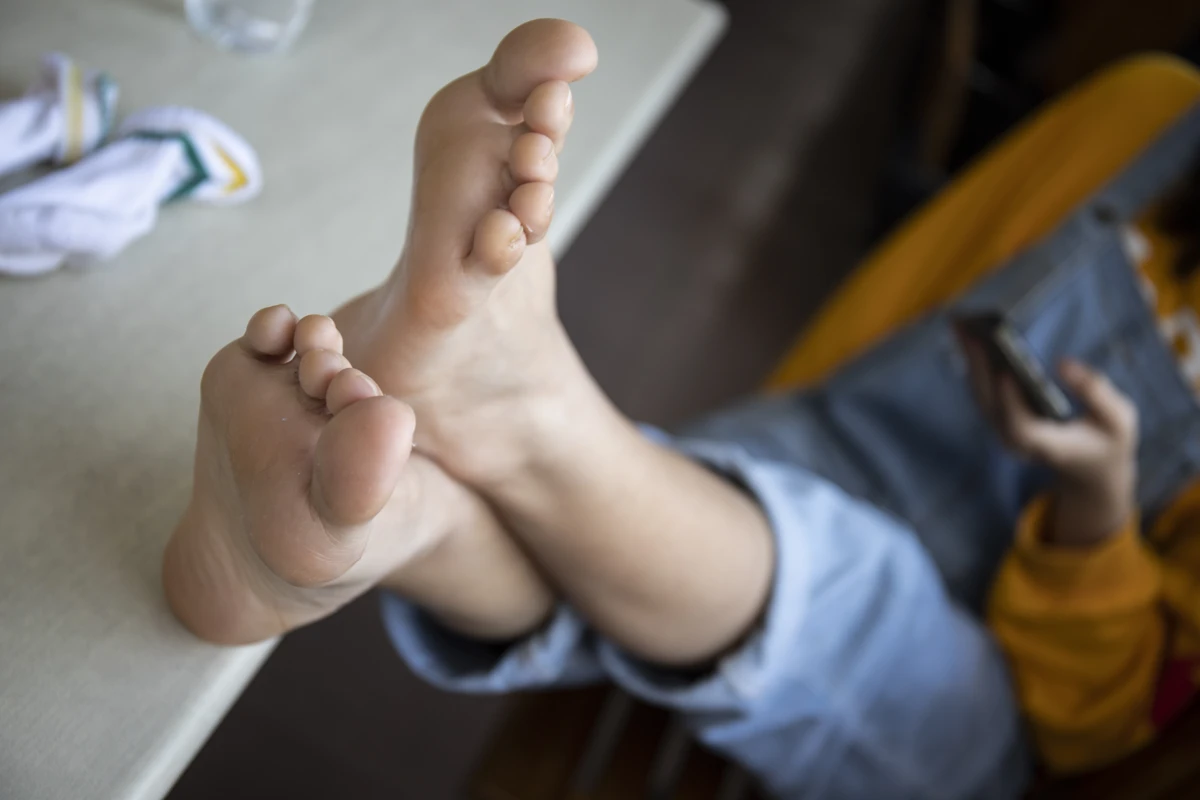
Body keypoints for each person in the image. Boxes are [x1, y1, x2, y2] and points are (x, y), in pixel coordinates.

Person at [160, 18, 1200, 800]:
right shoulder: (1152, 121)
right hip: (802, 473)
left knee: (818, 573)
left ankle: (489, 444)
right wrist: (754, 468)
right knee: (708, 525)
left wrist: (1093, 516)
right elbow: (892, 309)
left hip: (992, 707)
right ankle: (394, 521)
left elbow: (1098, 728)